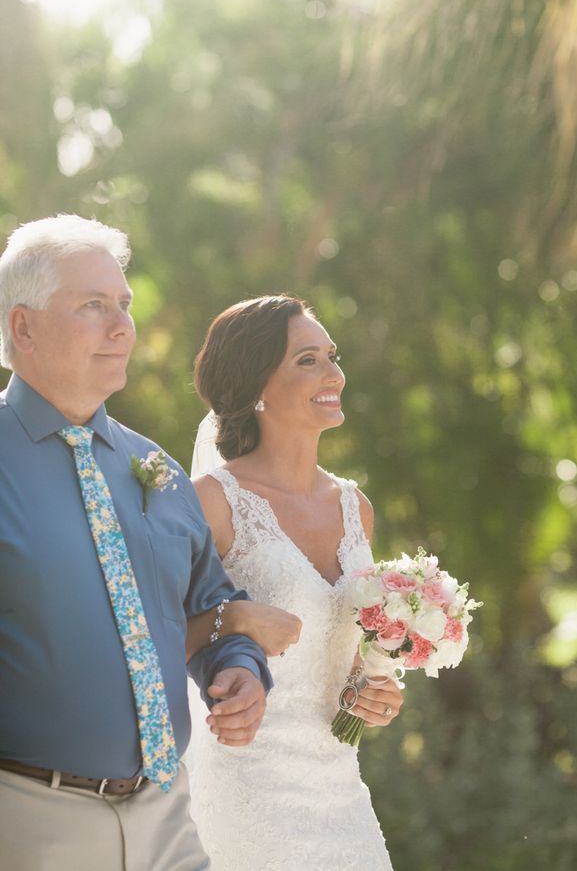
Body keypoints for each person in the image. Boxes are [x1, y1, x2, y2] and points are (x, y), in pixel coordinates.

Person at [0, 215, 272, 871]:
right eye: (93, 305)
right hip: (28, 822)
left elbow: (212, 604)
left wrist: (238, 665)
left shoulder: (158, 469)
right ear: (23, 327)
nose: (124, 326)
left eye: (123, 304)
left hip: (168, 816)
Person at [186, 295, 403, 871]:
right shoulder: (212, 502)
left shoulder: (356, 507)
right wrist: (234, 619)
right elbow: (155, 628)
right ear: (255, 384)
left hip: (341, 791)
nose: (335, 374)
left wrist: (371, 691)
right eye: (308, 360)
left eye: (332, 356)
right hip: (249, 785)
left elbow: (344, 654)